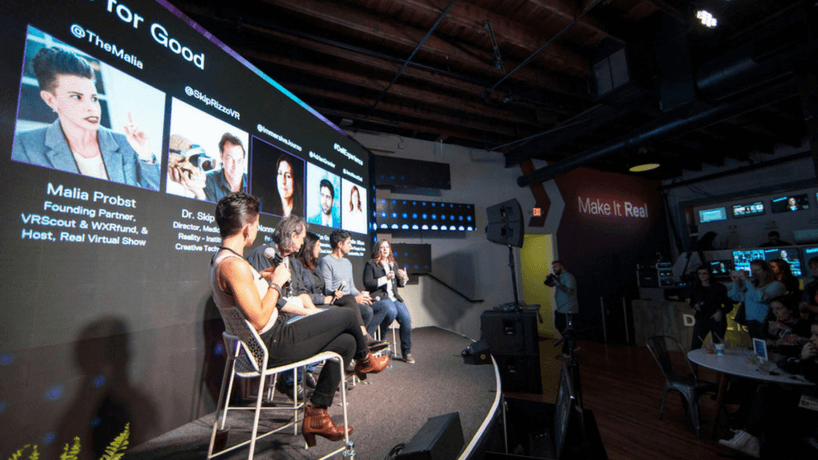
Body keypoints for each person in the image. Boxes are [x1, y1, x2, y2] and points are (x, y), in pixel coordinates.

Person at [209, 193, 388, 447]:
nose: (257, 230)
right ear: (247, 228)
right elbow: (259, 319)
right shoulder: (232, 265)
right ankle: (365, 360)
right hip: (273, 343)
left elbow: (249, 299)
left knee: (347, 343)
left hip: (272, 338)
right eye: (257, 224)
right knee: (349, 314)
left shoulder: (224, 259)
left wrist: (264, 279)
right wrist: (276, 283)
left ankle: (317, 413)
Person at [12, 48, 159, 190]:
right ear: (50, 100)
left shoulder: (126, 143)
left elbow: (156, 194)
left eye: (94, 98)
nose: (92, 108)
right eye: (77, 97)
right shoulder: (23, 145)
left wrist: (145, 154)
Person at [719, 321, 818, 458]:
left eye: (816, 335)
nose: (812, 339)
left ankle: (749, 439)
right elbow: (786, 364)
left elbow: (812, 376)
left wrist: (805, 360)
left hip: (812, 407)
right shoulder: (813, 354)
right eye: (812, 334)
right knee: (766, 391)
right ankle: (749, 437)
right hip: (804, 400)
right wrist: (802, 358)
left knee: (768, 398)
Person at [295, 232, 386, 349]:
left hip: (346, 299)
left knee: (371, 310)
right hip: (337, 300)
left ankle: (361, 343)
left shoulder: (346, 263)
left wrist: (361, 296)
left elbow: (351, 287)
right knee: (360, 308)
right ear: (340, 244)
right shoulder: (325, 261)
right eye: (348, 243)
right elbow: (327, 289)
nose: (351, 246)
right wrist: (351, 298)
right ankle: (363, 341)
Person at [363, 240, 415, 364]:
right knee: (391, 311)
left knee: (406, 319)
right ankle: (382, 337)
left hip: (394, 297)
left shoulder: (393, 264)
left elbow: (399, 284)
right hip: (380, 297)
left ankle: (406, 352)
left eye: (387, 247)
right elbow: (368, 283)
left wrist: (404, 278)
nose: (385, 249)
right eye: (382, 247)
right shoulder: (371, 264)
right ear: (377, 250)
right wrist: (385, 278)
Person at [179, 133, 246, 202]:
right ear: (221, 156)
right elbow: (204, 207)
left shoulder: (251, 181)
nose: (235, 166)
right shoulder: (208, 181)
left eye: (239, 160)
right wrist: (199, 193)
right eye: (230, 159)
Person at [729, 260, 786, 339]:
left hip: (766, 323)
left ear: (766, 271)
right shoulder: (753, 285)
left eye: (757, 270)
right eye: (752, 270)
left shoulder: (777, 285)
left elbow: (760, 298)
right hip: (751, 322)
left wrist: (747, 280)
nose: (754, 273)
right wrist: (736, 283)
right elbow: (736, 297)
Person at [688, 265, 732, 350]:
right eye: (700, 274)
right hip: (701, 319)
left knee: (718, 346)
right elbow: (692, 302)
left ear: (710, 274)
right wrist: (695, 305)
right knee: (695, 345)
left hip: (717, 319)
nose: (702, 276)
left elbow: (729, 305)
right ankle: (693, 359)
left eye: (704, 273)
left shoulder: (719, 287)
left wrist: (720, 312)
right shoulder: (695, 287)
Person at [544, 260, 578, 359]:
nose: (554, 269)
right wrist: (550, 281)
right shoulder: (559, 277)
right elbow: (552, 285)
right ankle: (572, 345)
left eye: (556, 266)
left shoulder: (568, 277)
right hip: (561, 309)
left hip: (569, 310)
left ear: (561, 266)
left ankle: (566, 352)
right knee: (561, 326)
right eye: (553, 267)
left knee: (568, 329)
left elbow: (570, 290)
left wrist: (557, 283)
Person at [801, 257, 818, 321]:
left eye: (816, 266)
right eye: (811, 267)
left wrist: (808, 307)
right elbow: (804, 304)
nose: (813, 269)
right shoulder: (809, 286)